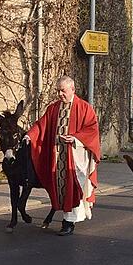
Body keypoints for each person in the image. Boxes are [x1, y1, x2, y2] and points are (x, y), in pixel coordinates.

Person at [25, 76, 101, 236]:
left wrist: (76, 138)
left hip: (76, 157)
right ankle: (67, 219)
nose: (60, 94)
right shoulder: (54, 108)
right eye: (58, 91)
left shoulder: (84, 108)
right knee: (62, 188)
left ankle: (69, 222)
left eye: (63, 91)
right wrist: (29, 135)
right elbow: (41, 124)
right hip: (57, 156)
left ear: (72, 90)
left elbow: (92, 129)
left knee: (74, 187)